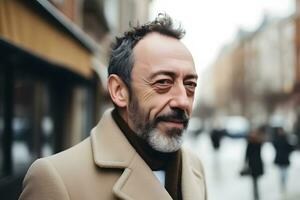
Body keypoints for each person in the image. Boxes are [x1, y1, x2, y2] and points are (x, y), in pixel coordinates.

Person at [19, 14, 207, 200]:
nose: (182, 101)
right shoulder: (55, 178)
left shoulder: (194, 166)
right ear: (119, 91)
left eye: (190, 85)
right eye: (163, 82)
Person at [242, 128, 265, 200]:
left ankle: (256, 195)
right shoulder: (250, 143)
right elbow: (246, 154)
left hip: (257, 164)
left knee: (256, 180)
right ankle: (256, 195)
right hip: (252, 164)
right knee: (254, 181)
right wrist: (245, 163)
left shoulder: (258, 143)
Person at [272, 127, 295, 192]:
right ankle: (282, 183)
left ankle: (284, 183)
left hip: (285, 158)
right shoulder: (277, 139)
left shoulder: (286, 139)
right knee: (281, 172)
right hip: (280, 158)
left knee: (285, 173)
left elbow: (291, 148)